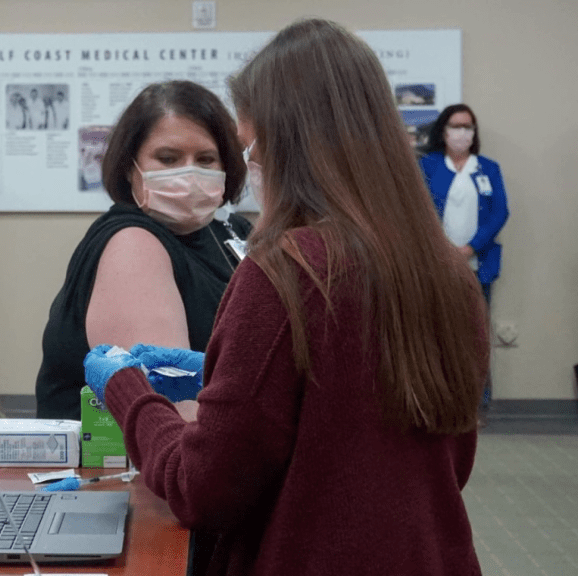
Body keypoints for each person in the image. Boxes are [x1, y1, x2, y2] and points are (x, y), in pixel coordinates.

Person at [83, 19, 487, 575]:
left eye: (248, 144)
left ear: (282, 144)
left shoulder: (287, 271)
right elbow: (438, 457)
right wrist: (227, 376)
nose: (250, 165)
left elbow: (203, 489)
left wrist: (128, 391)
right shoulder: (447, 272)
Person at [35, 80, 252, 421]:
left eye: (206, 159)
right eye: (168, 158)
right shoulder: (132, 245)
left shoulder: (227, 231)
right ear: (129, 167)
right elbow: (174, 417)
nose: (189, 173)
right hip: (117, 466)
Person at [419, 104, 509, 307]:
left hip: (478, 263)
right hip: (437, 263)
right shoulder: (428, 166)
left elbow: (500, 212)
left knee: (477, 327)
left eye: (467, 127)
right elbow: (417, 212)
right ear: (443, 131)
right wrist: (441, 249)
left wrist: (470, 248)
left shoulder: (488, 168)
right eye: (455, 126)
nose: (462, 133)